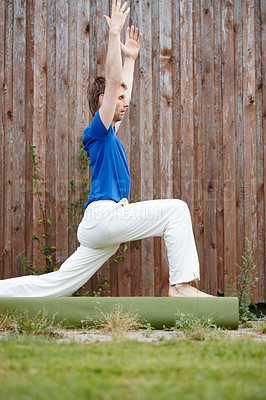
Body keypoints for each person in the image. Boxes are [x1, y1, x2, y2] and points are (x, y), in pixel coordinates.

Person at [0, 0, 212, 298]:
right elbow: (114, 83)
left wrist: (131, 59)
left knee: (57, 284)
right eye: (118, 98)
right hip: (105, 217)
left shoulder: (109, 135)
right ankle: (180, 287)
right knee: (177, 210)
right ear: (103, 100)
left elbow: (120, 84)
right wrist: (114, 35)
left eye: (125, 98)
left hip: (102, 227)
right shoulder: (97, 132)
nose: (125, 103)